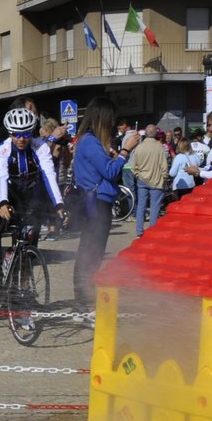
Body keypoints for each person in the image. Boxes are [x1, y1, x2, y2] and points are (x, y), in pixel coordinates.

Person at [0, 106, 66, 288]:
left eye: (25, 134)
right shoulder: (3, 149)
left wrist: (59, 203)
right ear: (10, 133)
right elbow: (1, 177)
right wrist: (3, 202)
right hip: (7, 190)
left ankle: (24, 290)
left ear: (31, 132)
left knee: (28, 244)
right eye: (16, 134)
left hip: (28, 195)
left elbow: (50, 175)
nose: (21, 139)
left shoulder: (39, 147)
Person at [69, 95, 139, 313]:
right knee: (91, 252)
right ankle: (83, 302)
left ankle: (85, 299)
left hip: (95, 202)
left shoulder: (88, 141)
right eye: (111, 120)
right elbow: (109, 171)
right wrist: (126, 151)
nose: (113, 124)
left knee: (91, 252)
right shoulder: (90, 141)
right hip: (96, 205)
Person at [131, 122, 170, 237]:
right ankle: (152, 233)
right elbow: (164, 166)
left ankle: (139, 232)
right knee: (154, 208)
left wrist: (138, 175)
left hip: (142, 179)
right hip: (156, 181)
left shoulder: (139, 147)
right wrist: (164, 177)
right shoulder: (159, 147)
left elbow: (134, 167)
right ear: (156, 133)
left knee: (141, 206)